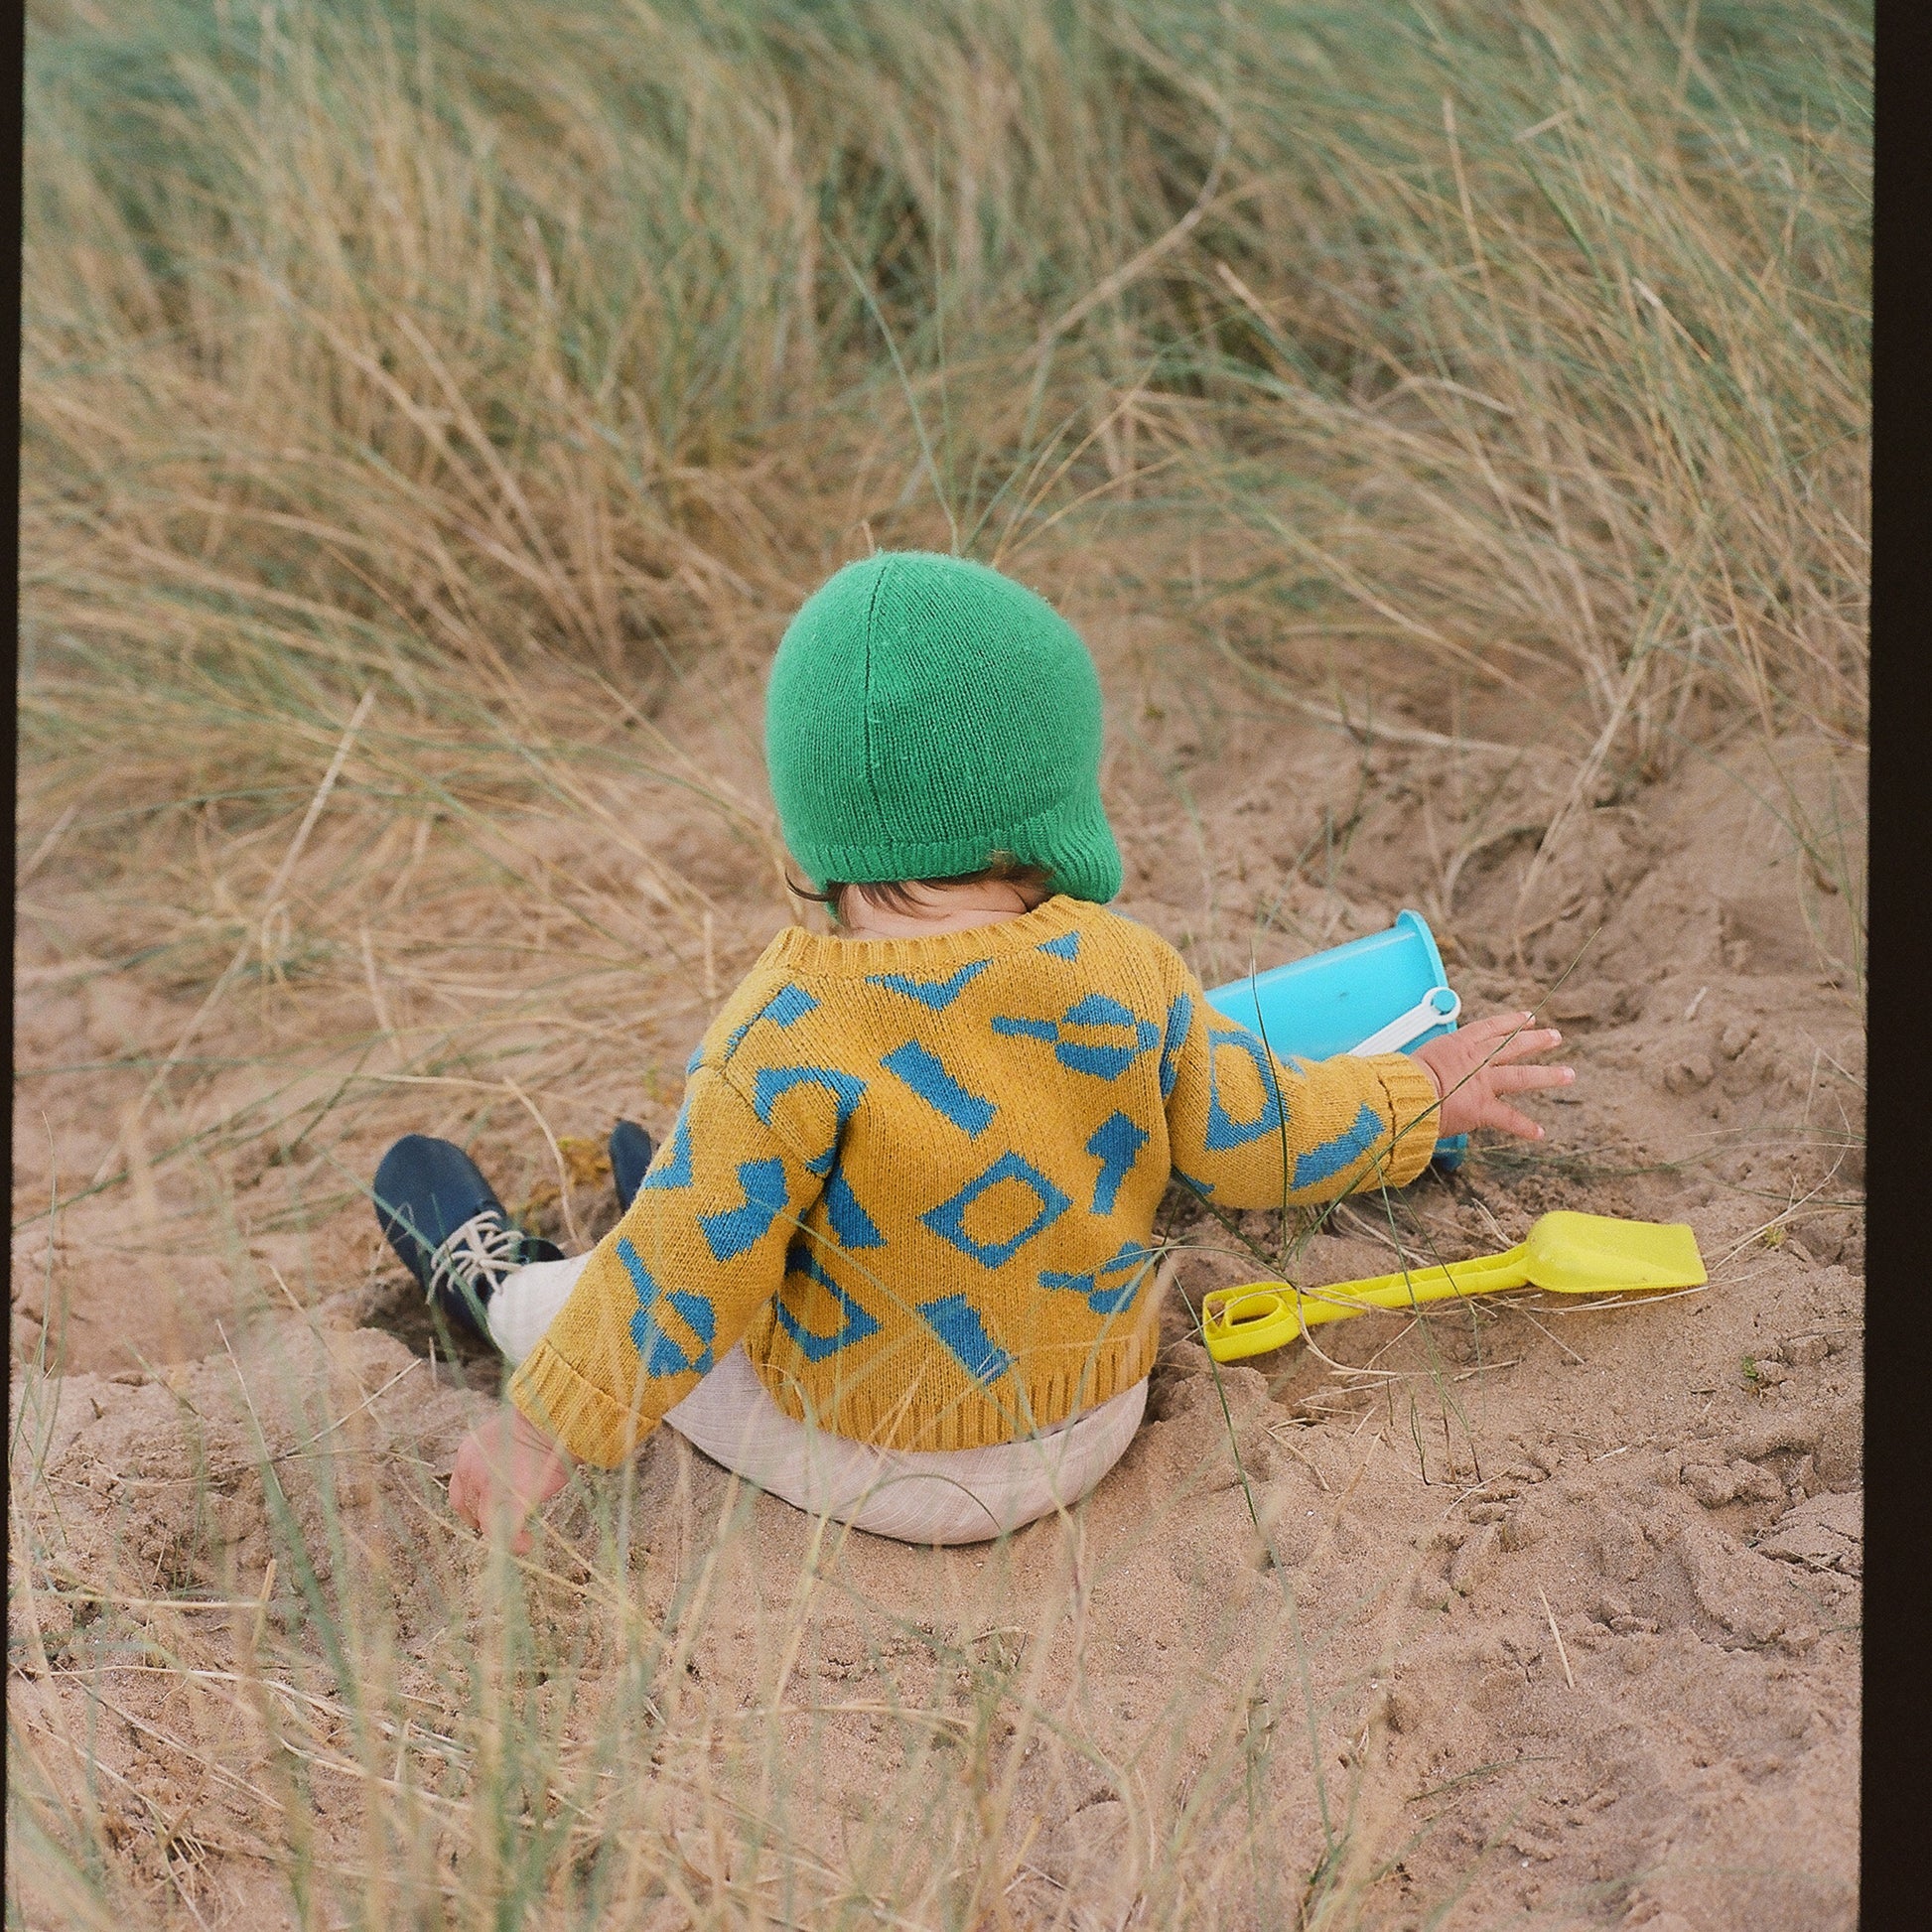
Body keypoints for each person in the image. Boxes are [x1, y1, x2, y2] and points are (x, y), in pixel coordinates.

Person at [371, 552, 1572, 1551]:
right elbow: (1260, 1134)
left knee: (643, 1273)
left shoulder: (782, 1029)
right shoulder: (1128, 972)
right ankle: (720, 1210)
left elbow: (669, 1286)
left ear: (812, 817)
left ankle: (495, 1280)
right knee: (711, 1229)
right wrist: (1415, 1094)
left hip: (865, 1459)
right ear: (1049, 799)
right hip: (1089, 1424)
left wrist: (535, 1436)